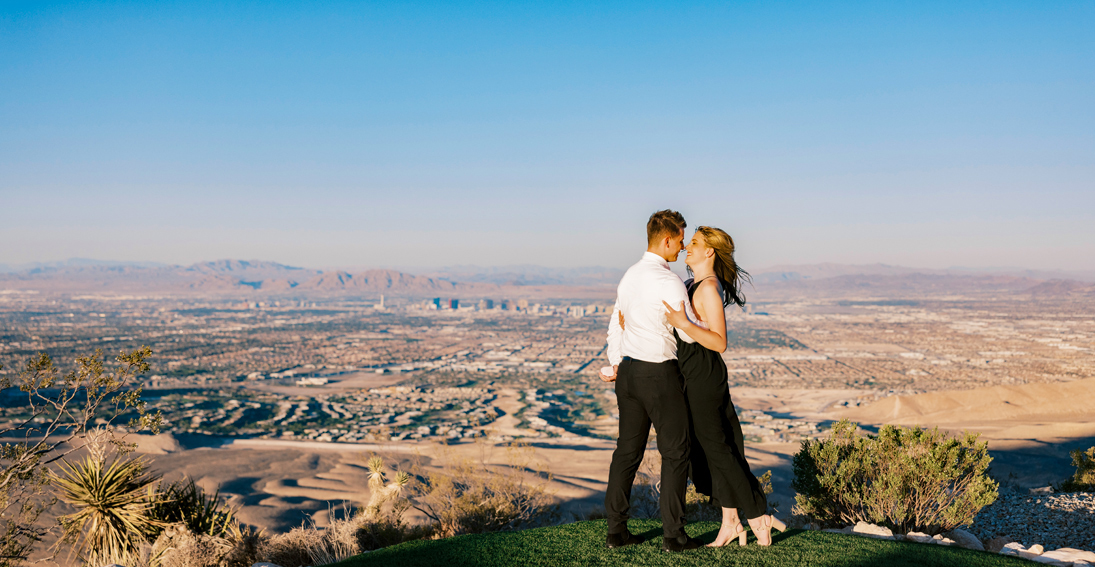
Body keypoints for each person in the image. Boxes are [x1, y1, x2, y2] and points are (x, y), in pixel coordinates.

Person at [663, 226, 787, 546]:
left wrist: (685, 324)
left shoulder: (708, 288)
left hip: (704, 377)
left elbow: (720, 342)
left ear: (710, 252)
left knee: (717, 450)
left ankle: (759, 515)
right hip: (691, 375)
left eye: (694, 243)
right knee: (713, 451)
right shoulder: (692, 283)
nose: (687, 247)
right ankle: (730, 522)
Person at [601, 209, 703, 552]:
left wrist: (617, 362)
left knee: (626, 452)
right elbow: (689, 336)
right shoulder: (668, 280)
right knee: (676, 452)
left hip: (628, 373)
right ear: (667, 239)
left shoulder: (628, 277)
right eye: (681, 240)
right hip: (659, 373)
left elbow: (616, 323)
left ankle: (616, 532)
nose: (683, 247)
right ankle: (674, 535)